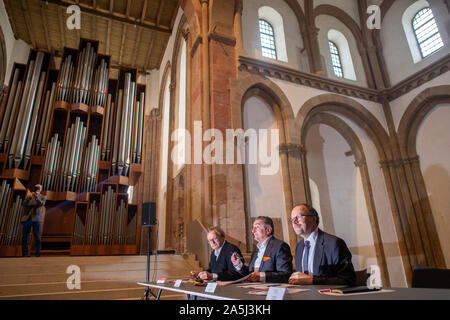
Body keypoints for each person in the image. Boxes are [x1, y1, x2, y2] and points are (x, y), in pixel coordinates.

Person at [288, 204, 356, 285]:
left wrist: (312, 280)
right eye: (292, 219)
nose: (294, 222)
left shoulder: (334, 244)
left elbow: (348, 279)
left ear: (313, 219)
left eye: (299, 217)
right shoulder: (299, 247)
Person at [231, 216, 293, 283]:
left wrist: (261, 276)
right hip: (253, 289)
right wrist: (239, 265)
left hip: (271, 290)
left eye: (257, 227)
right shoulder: (256, 249)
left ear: (268, 230)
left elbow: (286, 275)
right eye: (253, 228)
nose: (253, 231)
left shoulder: (280, 246)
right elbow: (251, 274)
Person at [21, 184, 46, 257]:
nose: (37, 189)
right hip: (27, 218)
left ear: (41, 189)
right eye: (36, 187)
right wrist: (30, 197)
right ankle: (24, 254)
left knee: (37, 236)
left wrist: (36, 196)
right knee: (25, 237)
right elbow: (25, 204)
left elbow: (40, 204)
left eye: (38, 188)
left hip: (36, 218)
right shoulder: (29, 196)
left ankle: (38, 253)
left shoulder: (43, 197)